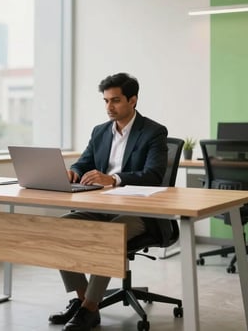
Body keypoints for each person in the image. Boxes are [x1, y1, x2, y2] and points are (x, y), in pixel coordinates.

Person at [48, 72, 168, 331]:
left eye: (115, 101)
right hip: (100, 207)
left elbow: (154, 175)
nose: (109, 107)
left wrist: (113, 179)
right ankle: (83, 303)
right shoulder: (100, 131)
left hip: (138, 212)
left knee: (107, 236)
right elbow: (84, 161)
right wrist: (74, 172)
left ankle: (90, 309)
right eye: (105, 101)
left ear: (133, 100)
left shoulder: (153, 132)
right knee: (59, 229)